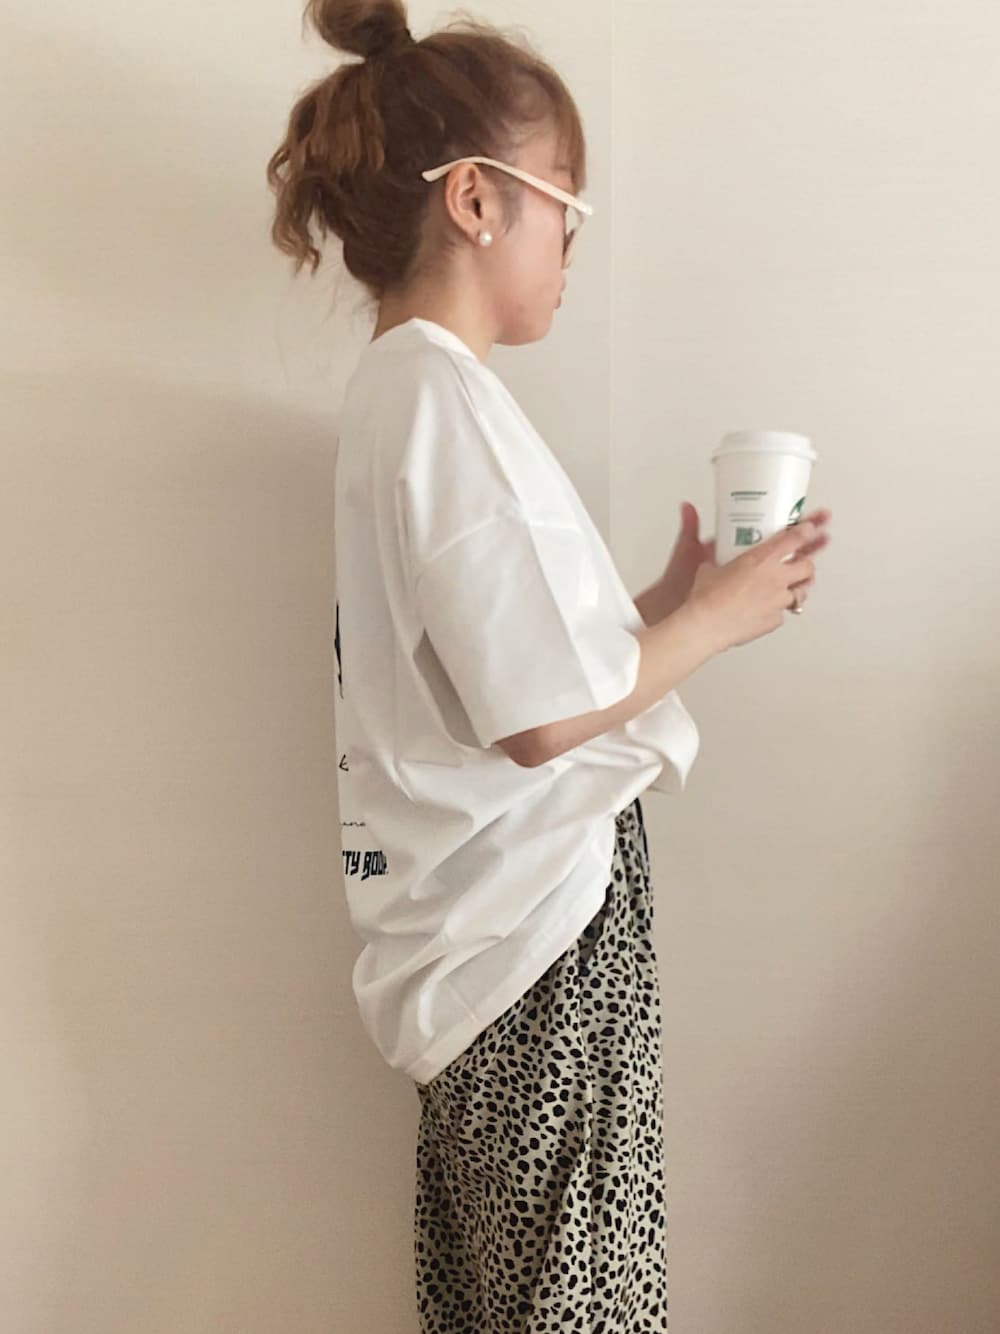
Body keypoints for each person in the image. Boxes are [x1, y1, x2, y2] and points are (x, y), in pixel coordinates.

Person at [266, 2, 833, 1329]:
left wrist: (666, 604)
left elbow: (498, 668)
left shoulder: (408, 395)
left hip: (485, 950)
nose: (575, 243)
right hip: (535, 951)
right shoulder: (442, 401)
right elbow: (534, 719)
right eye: (567, 206)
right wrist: (719, 619)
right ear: (476, 200)